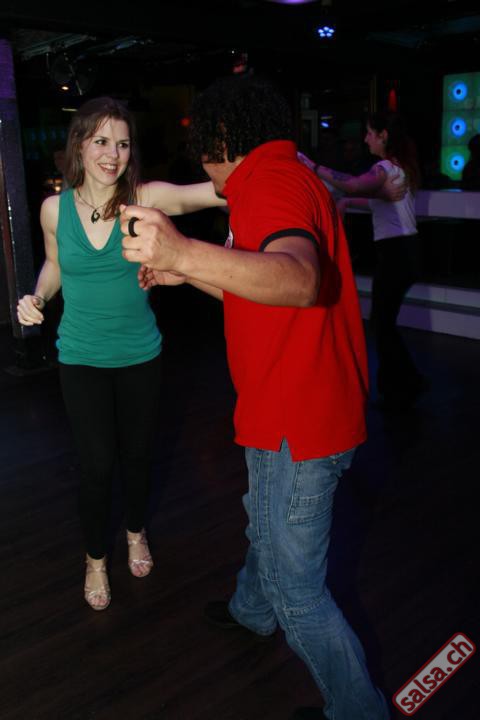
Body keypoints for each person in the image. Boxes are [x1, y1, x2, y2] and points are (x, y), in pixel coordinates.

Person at [120, 75, 389, 720]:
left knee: (298, 590)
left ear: (221, 137)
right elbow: (261, 291)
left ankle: (359, 711)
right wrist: (185, 269)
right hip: (312, 402)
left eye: (202, 146)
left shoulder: (268, 184)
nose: (201, 163)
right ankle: (251, 609)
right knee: (264, 518)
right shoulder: (285, 176)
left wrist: (184, 249)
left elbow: (296, 280)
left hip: (293, 418)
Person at [17, 96, 225, 611]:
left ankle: (135, 532)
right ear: (80, 145)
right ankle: (94, 559)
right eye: (102, 141)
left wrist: (279, 172)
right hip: (81, 357)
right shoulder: (53, 209)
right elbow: (55, 264)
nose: (113, 154)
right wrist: (38, 296)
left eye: (123, 143)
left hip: (139, 356)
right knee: (95, 466)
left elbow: (210, 192)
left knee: (136, 457)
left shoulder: (144, 198)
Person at [302, 112, 425, 409]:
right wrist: (347, 202)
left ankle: (403, 387)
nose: (366, 139)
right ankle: (405, 383)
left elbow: (354, 185)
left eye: (370, 133)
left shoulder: (385, 168)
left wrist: (312, 166)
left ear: (383, 136)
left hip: (397, 253)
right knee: (384, 323)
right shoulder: (397, 168)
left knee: (382, 323)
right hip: (404, 252)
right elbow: (373, 200)